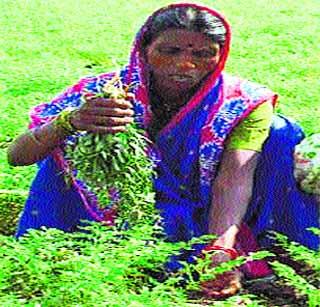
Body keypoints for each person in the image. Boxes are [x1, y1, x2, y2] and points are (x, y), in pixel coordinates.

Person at [7, 3, 319, 299]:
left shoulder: (241, 103)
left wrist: (220, 250)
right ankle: (72, 240)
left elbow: (233, 182)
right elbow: (17, 156)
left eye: (203, 54)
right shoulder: (104, 92)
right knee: (67, 147)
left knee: (280, 132)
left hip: (208, 201)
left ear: (221, 56)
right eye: (170, 51)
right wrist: (71, 122)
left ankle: (259, 240)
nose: (185, 64)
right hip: (120, 204)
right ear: (144, 50)